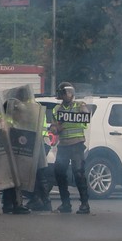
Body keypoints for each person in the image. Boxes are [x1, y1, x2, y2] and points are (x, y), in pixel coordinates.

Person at [51, 81, 91, 214]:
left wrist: (83, 108)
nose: (68, 95)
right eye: (65, 92)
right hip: (63, 145)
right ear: (61, 95)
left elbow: (86, 117)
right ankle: (65, 203)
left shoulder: (79, 105)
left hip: (77, 144)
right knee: (59, 172)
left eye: (69, 92)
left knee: (78, 172)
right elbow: (54, 128)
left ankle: (85, 204)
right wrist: (58, 126)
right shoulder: (57, 109)